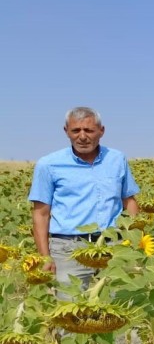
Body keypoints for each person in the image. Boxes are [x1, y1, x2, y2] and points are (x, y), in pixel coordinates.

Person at [29, 107, 140, 295]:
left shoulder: (116, 159)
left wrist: (135, 242)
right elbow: (41, 213)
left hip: (113, 247)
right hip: (69, 249)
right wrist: (45, 257)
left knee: (120, 308)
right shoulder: (48, 164)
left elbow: (129, 201)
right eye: (76, 130)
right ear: (66, 132)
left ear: (101, 131)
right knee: (71, 313)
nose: (82, 136)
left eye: (88, 130)